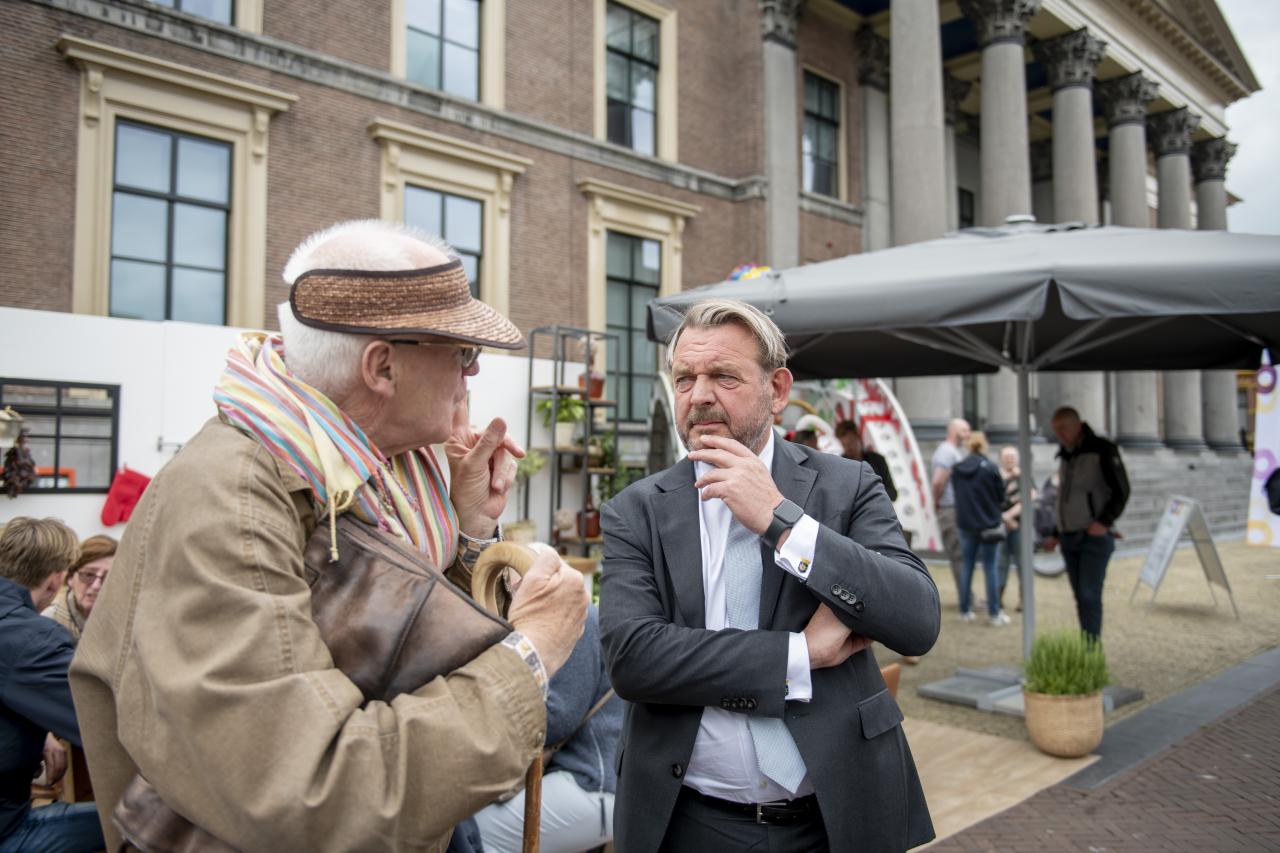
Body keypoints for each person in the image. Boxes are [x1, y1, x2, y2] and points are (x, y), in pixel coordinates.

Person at [69, 220, 589, 851]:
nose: (471, 375)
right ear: (382, 366)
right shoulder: (231, 496)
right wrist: (532, 654)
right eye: (461, 352)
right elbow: (309, 788)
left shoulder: (382, 460)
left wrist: (468, 529)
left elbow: (396, 646)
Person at [600, 299, 939, 853]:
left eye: (723, 376)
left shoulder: (847, 486)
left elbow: (917, 620)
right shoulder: (636, 510)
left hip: (838, 816)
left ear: (777, 390)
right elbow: (633, 658)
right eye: (684, 378)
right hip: (688, 821)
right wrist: (799, 656)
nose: (699, 394)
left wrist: (785, 523)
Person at [473, 603, 621, 853]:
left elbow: (558, 719)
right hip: (610, 785)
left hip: (593, 783)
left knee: (476, 833)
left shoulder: (582, 621)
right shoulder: (597, 619)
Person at [0, 517, 105, 853]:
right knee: (154, 824)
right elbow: (102, 721)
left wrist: (38, 725)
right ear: (58, 578)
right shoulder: (33, 637)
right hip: (8, 830)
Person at [1041, 406, 1130, 639]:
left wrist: (1104, 521)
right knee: (1081, 595)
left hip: (1092, 536)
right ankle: (1087, 642)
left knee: (1089, 594)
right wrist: (1055, 532)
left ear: (1078, 425)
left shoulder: (1101, 449)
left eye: (1064, 428)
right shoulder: (1066, 453)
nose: (1060, 434)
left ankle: (1091, 648)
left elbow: (1122, 490)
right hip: (1070, 534)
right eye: (1056, 430)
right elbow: (1063, 497)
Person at [950, 433, 1010, 626]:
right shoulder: (990, 468)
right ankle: (994, 613)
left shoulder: (958, 469)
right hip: (989, 523)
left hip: (965, 523)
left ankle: (965, 609)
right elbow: (1001, 496)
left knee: (967, 565)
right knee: (990, 567)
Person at [42, 534, 116, 642]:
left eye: (108, 577)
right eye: (88, 575)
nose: (96, 586)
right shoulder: (47, 622)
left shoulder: (127, 622)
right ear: (70, 577)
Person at [931, 418, 971, 604]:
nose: (968, 434)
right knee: (959, 554)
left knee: (960, 554)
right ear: (954, 431)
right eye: (965, 430)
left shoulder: (952, 451)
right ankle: (966, 598)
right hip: (949, 510)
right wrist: (936, 502)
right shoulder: (947, 452)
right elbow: (939, 481)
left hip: (953, 509)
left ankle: (967, 596)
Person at [997, 446, 1030, 611]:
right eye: (1006, 456)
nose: (1009, 459)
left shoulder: (1023, 477)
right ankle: (998, 600)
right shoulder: (995, 477)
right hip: (1000, 528)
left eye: (1012, 457)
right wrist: (1004, 518)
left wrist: (1009, 516)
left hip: (1019, 528)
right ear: (1001, 458)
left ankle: (1024, 601)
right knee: (1000, 564)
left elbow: (1030, 496)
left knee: (1023, 564)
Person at [836, 419, 897, 502]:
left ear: (858, 437)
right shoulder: (840, 466)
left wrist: (874, 489)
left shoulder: (877, 460)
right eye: (844, 445)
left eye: (851, 442)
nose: (848, 448)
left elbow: (893, 494)